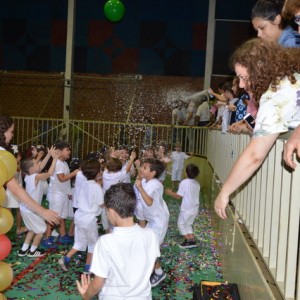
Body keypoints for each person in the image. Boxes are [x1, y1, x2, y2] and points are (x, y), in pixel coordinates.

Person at [214, 38, 300, 220]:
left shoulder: (276, 94)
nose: (242, 85)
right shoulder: (292, 75)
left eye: (244, 77)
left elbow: (255, 155)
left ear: (261, 70)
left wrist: (225, 192)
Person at [76, 183, 160, 299]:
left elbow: (98, 283)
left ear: (111, 211)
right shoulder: (151, 235)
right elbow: (150, 269)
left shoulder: (105, 242)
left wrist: (86, 295)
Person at [0, 113, 59, 225]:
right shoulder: (2, 156)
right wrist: (42, 211)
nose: (12, 135)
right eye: (11, 131)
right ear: (2, 131)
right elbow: (16, 189)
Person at [58, 159, 104, 274]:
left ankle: (66, 258)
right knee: (92, 244)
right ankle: (88, 269)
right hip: (89, 219)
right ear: (98, 173)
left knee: (79, 242)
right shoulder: (96, 188)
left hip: (79, 216)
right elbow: (101, 204)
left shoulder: (83, 185)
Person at [18, 147, 61, 257]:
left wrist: (48, 155)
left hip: (25, 209)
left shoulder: (28, 176)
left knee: (32, 229)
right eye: (36, 163)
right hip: (32, 210)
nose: (39, 164)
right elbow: (50, 173)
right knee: (41, 230)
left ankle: (23, 250)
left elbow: (41, 166)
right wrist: (54, 159)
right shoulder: (35, 176)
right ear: (32, 169)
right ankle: (32, 251)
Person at [135, 158, 169, 287]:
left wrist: (140, 188)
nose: (142, 170)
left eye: (145, 168)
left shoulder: (156, 184)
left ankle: (149, 277)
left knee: (150, 250)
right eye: (142, 167)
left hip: (159, 222)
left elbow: (149, 202)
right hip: (153, 220)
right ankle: (158, 271)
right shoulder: (145, 180)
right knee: (149, 248)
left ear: (153, 173)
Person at [42, 140, 79, 248]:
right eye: (67, 150)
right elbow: (62, 179)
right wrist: (74, 173)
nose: (69, 152)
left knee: (62, 217)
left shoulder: (64, 163)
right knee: (54, 217)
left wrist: (68, 192)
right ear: (59, 151)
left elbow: (65, 182)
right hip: (56, 195)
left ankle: (62, 235)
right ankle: (47, 238)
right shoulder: (58, 163)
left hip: (62, 194)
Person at [165, 164, 200, 249]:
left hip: (187, 208)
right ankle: (192, 239)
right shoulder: (197, 183)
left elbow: (178, 196)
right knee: (188, 224)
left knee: (181, 224)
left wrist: (170, 193)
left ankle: (188, 240)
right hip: (195, 208)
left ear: (186, 173)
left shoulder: (184, 182)